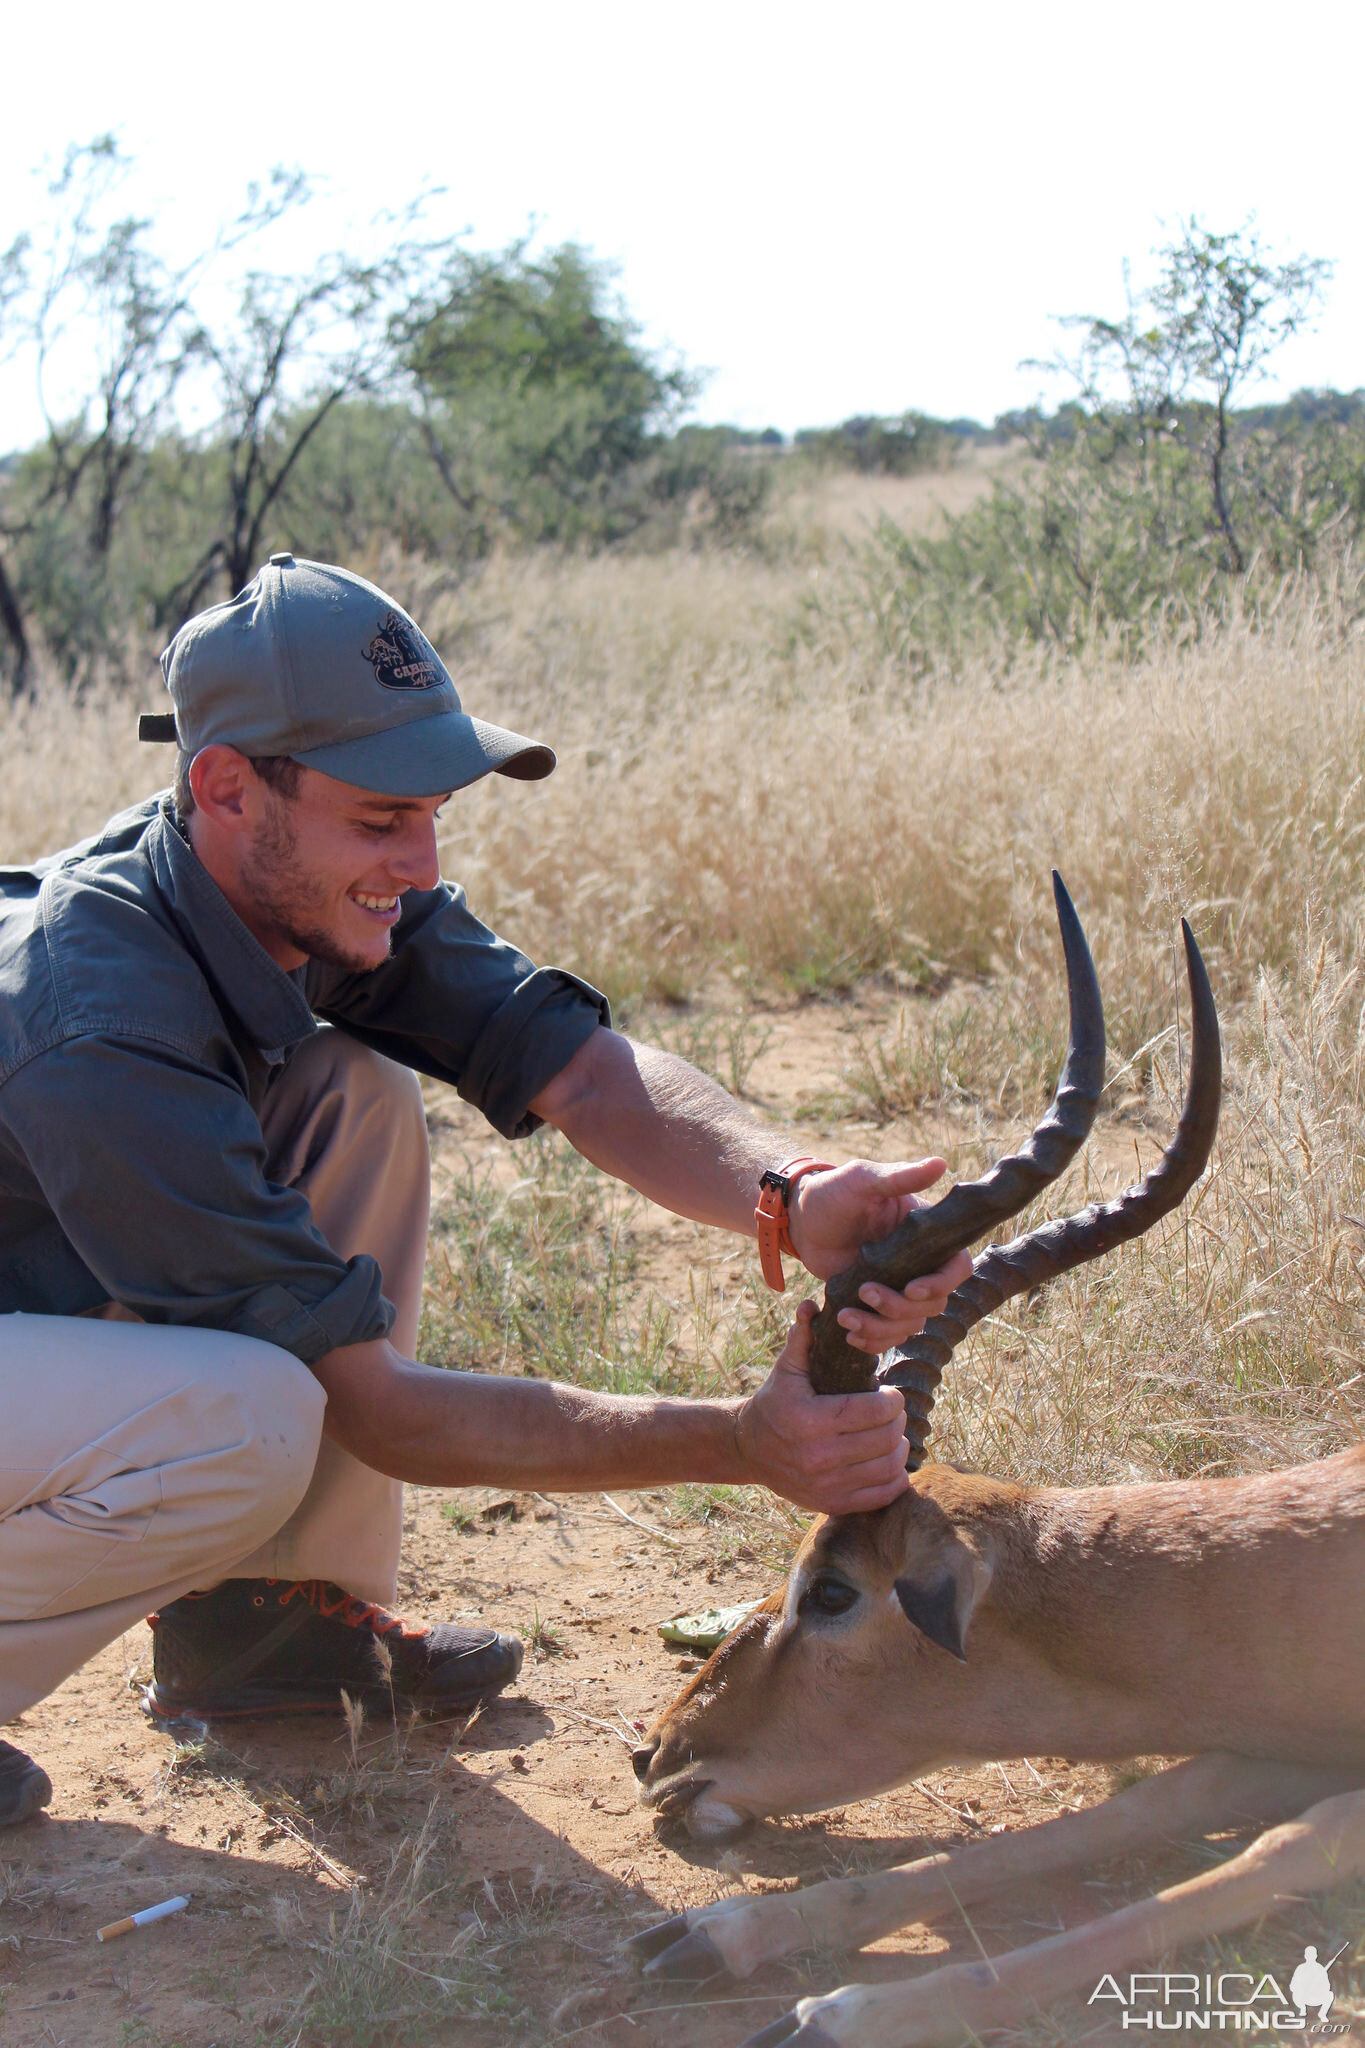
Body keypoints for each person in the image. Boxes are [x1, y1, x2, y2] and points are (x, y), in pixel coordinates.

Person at [0, 555, 970, 1828]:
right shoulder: (101, 1017)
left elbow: (584, 1073)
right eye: (380, 818)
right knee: (247, 1417)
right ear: (228, 786)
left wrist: (789, 1188)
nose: (421, 858)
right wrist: (740, 1441)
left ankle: (269, 1633)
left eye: (432, 811)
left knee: (350, 1091)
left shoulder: (279, 891)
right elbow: (385, 1412)